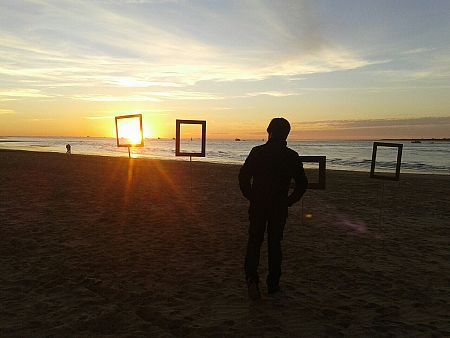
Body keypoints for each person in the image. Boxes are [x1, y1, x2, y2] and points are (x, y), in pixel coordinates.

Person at [239, 117, 308, 300]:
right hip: (278, 206)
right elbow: (302, 183)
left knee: (254, 241)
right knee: (275, 244)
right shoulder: (291, 156)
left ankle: (252, 279)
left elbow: (243, 177)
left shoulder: (257, 152)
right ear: (286, 134)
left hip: (259, 204)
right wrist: (289, 201)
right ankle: (273, 284)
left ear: (269, 131)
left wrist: (251, 196)